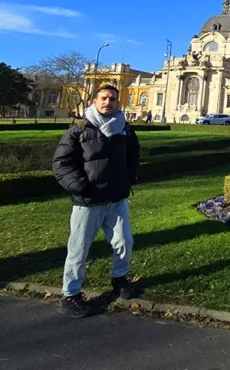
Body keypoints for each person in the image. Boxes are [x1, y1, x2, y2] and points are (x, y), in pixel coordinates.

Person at [52, 83, 141, 318]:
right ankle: (70, 294)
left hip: (116, 199)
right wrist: (80, 186)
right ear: (94, 102)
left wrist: (128, 179)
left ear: (117, 103)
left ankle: (119, 279)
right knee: (79, 249)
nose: (107, 103)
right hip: (88, 202)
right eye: (103, 98)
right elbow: (61, 164)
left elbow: (134, 157)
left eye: (112, 99)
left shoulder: (125, 129)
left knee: (124, 243)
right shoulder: (79, 130)